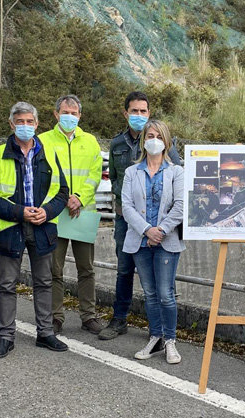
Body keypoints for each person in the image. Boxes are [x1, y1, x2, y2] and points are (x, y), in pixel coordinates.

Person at [0, 102, 70, 359]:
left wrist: (48, 212)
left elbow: (61, 192)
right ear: (11, 124)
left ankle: (45, 333)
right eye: (20, 121)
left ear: (37, 124)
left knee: (44, 281)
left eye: (30, 121)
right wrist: (19, 212)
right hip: (11, 227)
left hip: (42, 227)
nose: (25, 126)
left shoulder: (50, 153)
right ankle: (6, 336)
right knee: (7, 283)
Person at [100, 91, 182, 341]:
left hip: (162, 224)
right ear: (126, 113)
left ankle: (165, 332)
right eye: (134, 111)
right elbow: (115, 178)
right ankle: (119, 319)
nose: (138, 115)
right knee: (124, 269)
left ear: (149, 113)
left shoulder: (163, 141)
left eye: (143, 111)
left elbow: (174, 179)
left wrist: (160, 227)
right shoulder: (116, 144)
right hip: (128, 219)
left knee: (163, 279)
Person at [38, 95, 104, 335]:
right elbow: (41, 176)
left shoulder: (90, 141)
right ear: (56, 114)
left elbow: (95, 175)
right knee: (54, 270)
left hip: (83, 213)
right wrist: (62, 199)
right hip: (55, 216)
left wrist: (79, 197)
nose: (70, 117)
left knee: (86, 269)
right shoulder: (42, 141)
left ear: (80, 115)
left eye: (74, 113)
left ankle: (88, 316)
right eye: (66, 112)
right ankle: (56, 316)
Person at [121, 119, 185, 363]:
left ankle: (170, 340)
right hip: (140, 240)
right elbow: (126, 206)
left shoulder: (176, 172)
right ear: (143, 140)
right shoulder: (131, 172)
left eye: (158, 136)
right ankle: (155, 337)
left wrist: (161, 230)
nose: (153, 140)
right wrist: (147, 230)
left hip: (167, 242)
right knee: (149, 293)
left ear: (166, 140)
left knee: (165, 293)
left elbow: (179, 206)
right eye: (149, 136)